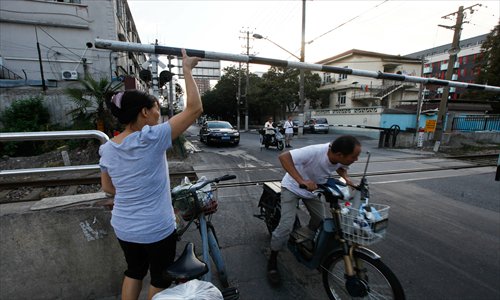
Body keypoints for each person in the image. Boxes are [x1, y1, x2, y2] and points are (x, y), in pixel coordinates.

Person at [99, 49, 202, 300]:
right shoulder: (152, 138)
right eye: (156, 108)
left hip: (124, 226)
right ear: (144, 112)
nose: (159, 113)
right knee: (159, 277)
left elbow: (108, 188)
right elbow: (195, 108)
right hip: (156, 227)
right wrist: (186, 69)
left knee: (134, 271)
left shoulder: (107, 148)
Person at [267, 135, 361, 285]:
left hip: (313, 190)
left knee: (321, 220)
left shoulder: (338, 157)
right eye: (354, 157)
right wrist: (301, 180)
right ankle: (272, 259)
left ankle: (303, 238)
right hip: (292, 187)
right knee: (286, 226)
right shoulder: (315, 152)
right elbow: (284, 157)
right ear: (339, 155)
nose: (356, 159)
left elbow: (341, 167)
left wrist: (347, 179)